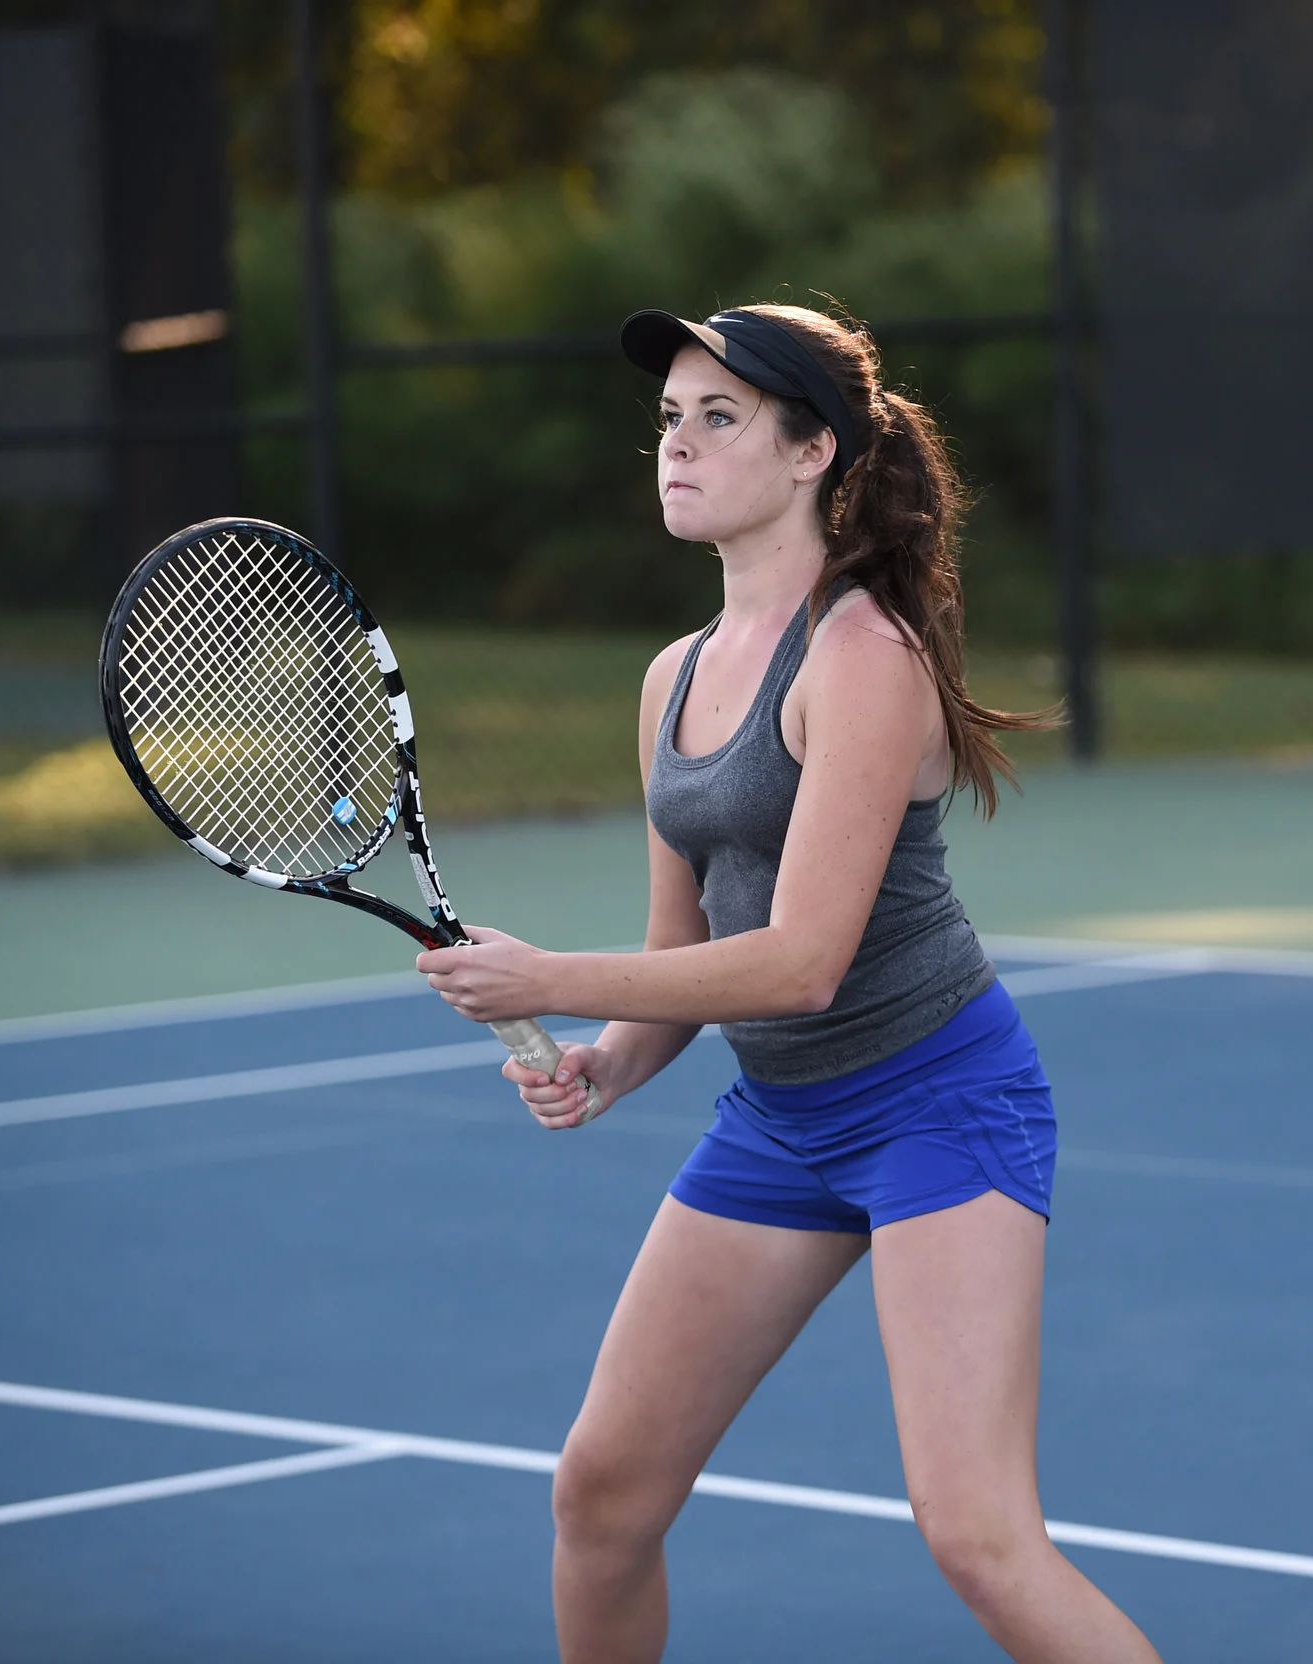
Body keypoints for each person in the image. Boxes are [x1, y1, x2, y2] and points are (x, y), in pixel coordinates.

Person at [412, 303, 1159, 1664]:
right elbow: (684, 946)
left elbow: (804, 964)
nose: (677, 449)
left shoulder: (864, 657)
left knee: (978, 1535)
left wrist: (541, 970)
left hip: (938, 1102)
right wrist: (605, 1053)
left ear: (813, 449)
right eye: (667, 423)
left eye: (719, 419)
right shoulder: (672, 679)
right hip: (781, 1123)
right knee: (603, 1495)